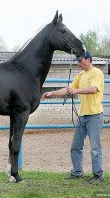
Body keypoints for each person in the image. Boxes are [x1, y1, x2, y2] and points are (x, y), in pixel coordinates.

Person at [42, 51, 104, 184]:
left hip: (94, 115)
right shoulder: (80, 75)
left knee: (95, 148)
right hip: (82, 116)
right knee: (75, 146)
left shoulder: (97, 73)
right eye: (77, 61)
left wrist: (76, 91)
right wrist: (51, 93)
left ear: (88, 59)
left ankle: (98, 176)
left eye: (80, 61)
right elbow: (68, 89)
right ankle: (77, 172)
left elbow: (93, 89)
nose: (78, 63)